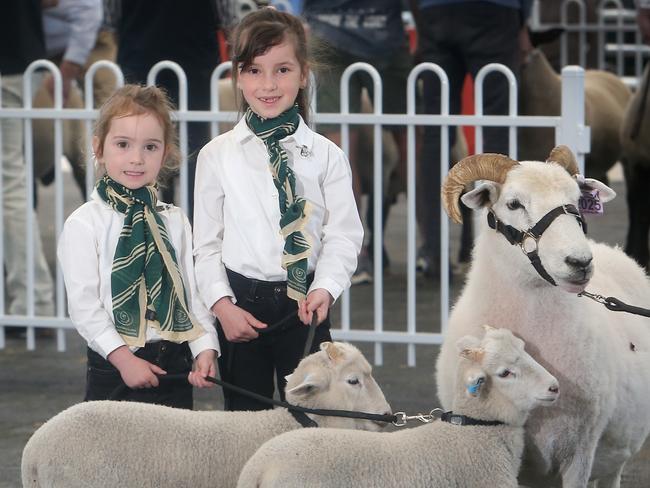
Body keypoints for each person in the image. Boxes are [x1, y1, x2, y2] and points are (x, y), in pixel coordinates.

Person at [193, 8, 363, 411]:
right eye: (254, 70)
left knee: (314, 420)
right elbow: (205, 245)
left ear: (304, 74)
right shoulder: (216, 156)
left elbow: (344, 235)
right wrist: (222, 306)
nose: (268, 85)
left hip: (304, 310)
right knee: (243, 423)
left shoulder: (327, 157)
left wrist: (326, 287)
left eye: (282, 70)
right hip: (239, 309)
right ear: (237, 75)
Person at [57, 85, 220, 409]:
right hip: (115, 365)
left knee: (173, 456)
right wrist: (124, 361)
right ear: (99, 148)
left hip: (173, 363)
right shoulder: (84, 224)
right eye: (122, 144)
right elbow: (85, 307)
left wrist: (204, 347)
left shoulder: (175, 221)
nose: (136, 158)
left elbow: (192, 294)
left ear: (166, 152)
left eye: (150, 146)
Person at [412, 0, 533, 277]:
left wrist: (423, 21)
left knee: (435, 133)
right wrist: (522, 20)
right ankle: (497, 250)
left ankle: (433, 254)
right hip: (495, 11)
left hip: (435, 11)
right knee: (496, 132)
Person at [302, 0, 412, 284]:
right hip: (381, 32)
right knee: (409, 140)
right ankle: (430, 247)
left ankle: (355, 252)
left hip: (329, 31)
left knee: (344, 150)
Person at [116, 0, 221, 220]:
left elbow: (109, 15)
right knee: (196, 149)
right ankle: (197, 231)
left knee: (138, 144)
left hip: (139, 51)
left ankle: (139, 228)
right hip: (195, 57)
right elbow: (228, 15)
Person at [1, 0, 55, 319]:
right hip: (23, 56)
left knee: (10, 186)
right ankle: (33, 299)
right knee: (11, 183)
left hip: (9, 62)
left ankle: (33, 300)